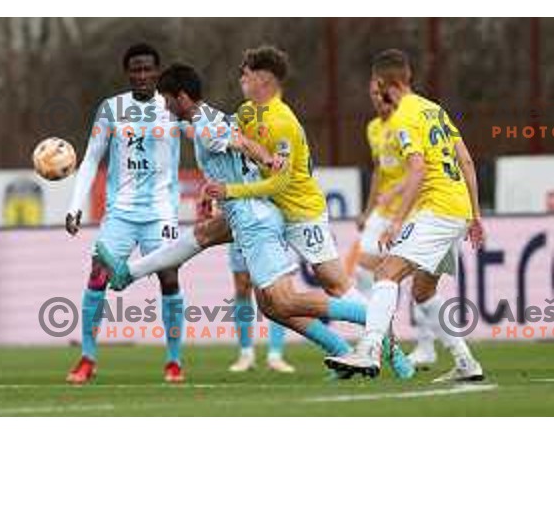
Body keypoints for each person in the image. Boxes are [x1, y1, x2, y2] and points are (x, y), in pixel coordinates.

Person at [96, 63, 372, 370]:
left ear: (182, 97)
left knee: (283, 302)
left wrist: (266, 158)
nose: (164, 104)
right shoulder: (206, 117)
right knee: (206, 241)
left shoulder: (207, 126)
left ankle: (371, 318)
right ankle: (128, 273)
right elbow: (214, 135)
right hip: (246, 214)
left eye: (166, 98)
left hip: (253, 219)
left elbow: (240, 142)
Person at [204, 46, 414, 378]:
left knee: (334, 282)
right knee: (270, 305)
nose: (240, 78)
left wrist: (230, 191)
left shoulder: (282, 120)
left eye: (245, 73)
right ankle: (340, 350)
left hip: (302, 214)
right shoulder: (246, 112)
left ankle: (390, 348)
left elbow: (278, 182)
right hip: (266, 214)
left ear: (263, 79)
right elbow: (236, 148)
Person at [326, 49, 485, 383]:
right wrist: (475, 214)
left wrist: (397, 220)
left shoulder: (402, 117)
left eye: (377, 86)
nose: (376, 93)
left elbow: (417, 167)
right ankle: (465, 362)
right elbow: (467, 161)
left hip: (437, 208)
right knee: (423, 292)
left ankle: (368, 350)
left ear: (387, 84)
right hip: (456, 208)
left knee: (386, 271)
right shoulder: (435, 110)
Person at [65, 44, 185, 385]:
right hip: (120, 213)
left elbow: (205, 139)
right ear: (127, 73)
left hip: (162, 212)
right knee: (98, 275)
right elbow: (91, 159)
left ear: (158, 72)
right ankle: (87, 358)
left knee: (170, 278)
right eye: (136, 69)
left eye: (148, 69)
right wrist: (75, 205)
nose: (142, 75)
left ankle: (174, 361)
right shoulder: (112, 109)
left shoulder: (173, 106)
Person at [356, 79, 436, 367]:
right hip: (382, 211)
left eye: (381, 93)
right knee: (363, 269)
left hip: (410, 208)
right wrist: (367, 209)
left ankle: (426, 345)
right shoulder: (373, 128)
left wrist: (399, 193)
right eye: (373, 94)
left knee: (417, 278)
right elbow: (379, 170)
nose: (377, 99)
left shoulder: (406, 121)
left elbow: (418, 167)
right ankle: (379, 334)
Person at [226, 243, 295, 373]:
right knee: (242, 288)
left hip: (270, 234)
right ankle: (246, 354)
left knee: (275, 290)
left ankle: (275, 355)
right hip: (240, 233)